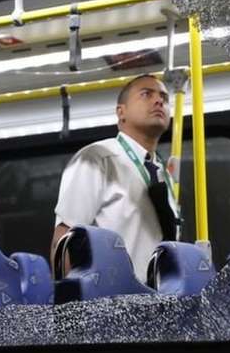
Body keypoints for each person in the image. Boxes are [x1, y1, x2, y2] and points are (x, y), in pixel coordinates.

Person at [51, 74, 179, 282]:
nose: (159, 101)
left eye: (164, 97)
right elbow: (64, 239)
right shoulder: (96, 158)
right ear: (121, 112)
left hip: (160, 300)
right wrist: (71, 307)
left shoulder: (161, 173)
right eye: (146, 94)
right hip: (111, 300)